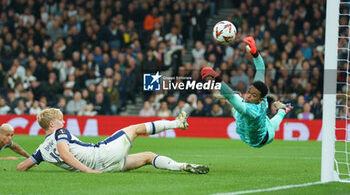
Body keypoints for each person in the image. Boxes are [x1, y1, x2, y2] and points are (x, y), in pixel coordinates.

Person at [17, 108, 209, 174]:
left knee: (148, 157)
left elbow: (22, 168)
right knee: (134, 129)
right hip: (101, 155)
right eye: (60, 119)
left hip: (108, 167)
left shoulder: (41, 150)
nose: (63, 121)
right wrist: (88, 171)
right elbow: (65, 153)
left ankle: (182, 166)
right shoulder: (60, 133)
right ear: (52, 124)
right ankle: (176, 123)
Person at [201, 37, 292, 148]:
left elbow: (232, 99)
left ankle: (282, 110)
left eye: (253, 95)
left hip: (261, 139)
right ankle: (283, 109)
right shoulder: (260, 93)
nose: (248, 96)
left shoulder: (251, 111)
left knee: (236, 106)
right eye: (249, 91)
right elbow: (260, 69)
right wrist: (255, 53)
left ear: (260, 99)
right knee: (237, 104)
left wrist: (216, 77)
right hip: (260, 123)